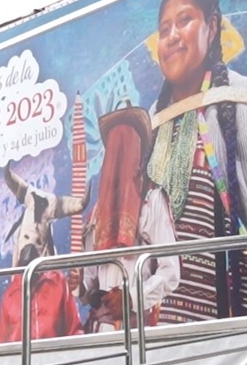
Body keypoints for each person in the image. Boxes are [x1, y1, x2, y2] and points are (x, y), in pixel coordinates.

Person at [144, 0, 247, 324]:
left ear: (211, 26)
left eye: (184, 20)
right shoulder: (149, 127)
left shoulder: (245, 103)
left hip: (242, 331)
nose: (172, 36)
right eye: (164, 29)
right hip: (160, 336)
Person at [77, 104, 181, 332]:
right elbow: (89, 281)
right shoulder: (97, 213)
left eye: (127, 142)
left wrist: (130, 298)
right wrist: (79, 285)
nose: (121, 153)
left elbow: (171, 272)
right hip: (100, 331)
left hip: (138, 331)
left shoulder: (152, 200)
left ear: (139, 153)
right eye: (116, 145)